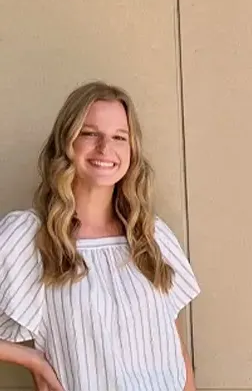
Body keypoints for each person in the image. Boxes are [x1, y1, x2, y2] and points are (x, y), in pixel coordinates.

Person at [0, 81, 200, 391]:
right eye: (90, 134)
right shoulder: (30, 237)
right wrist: (32, 360)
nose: (105, 149)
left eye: (119, 137)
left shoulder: (150, 234)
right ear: (67, 141)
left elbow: (175, 351)